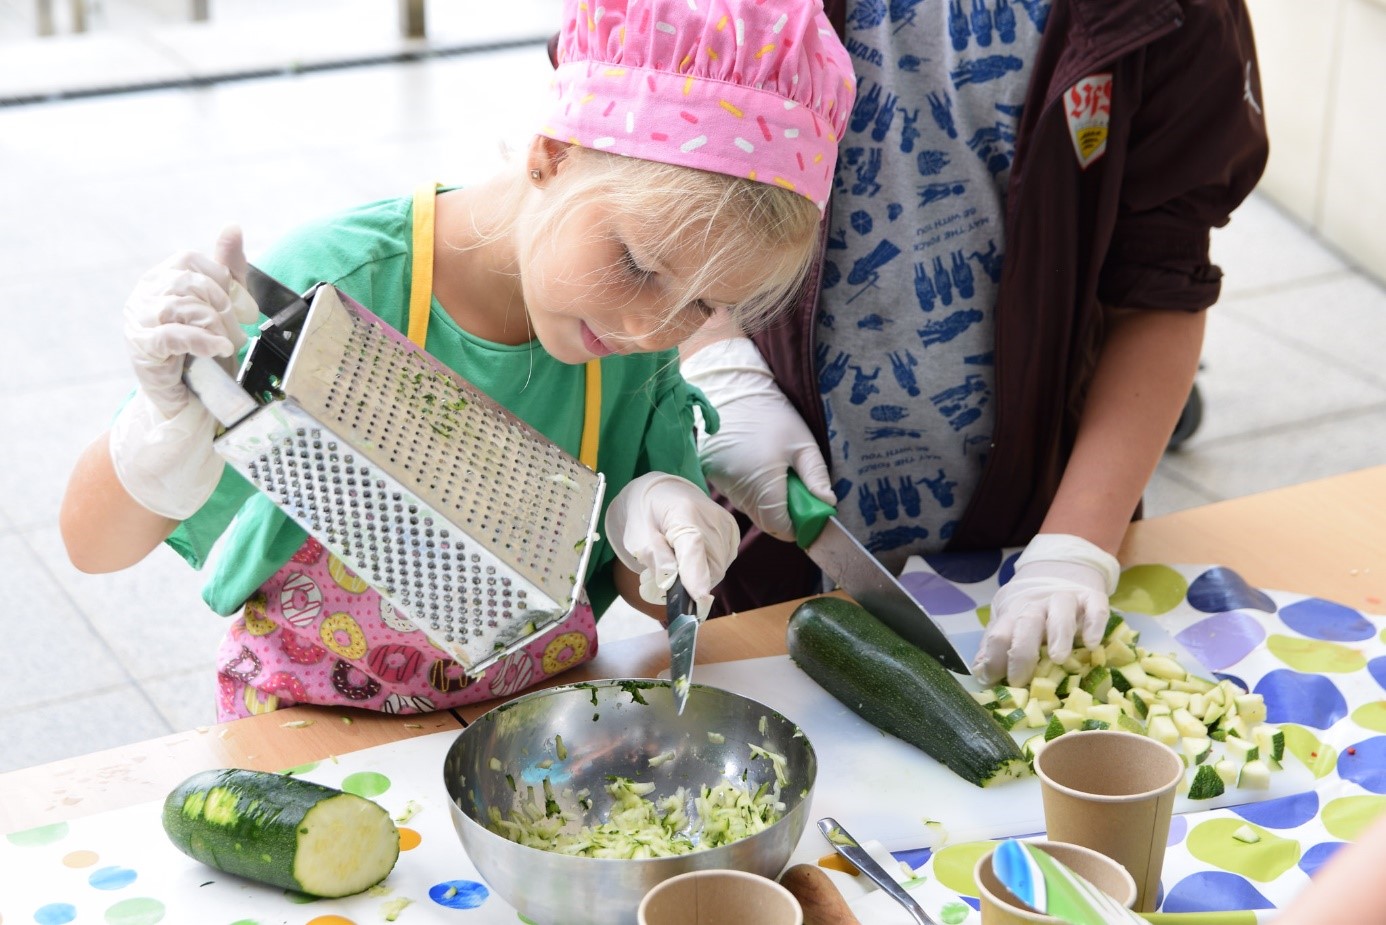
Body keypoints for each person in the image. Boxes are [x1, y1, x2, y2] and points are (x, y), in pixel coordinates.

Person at [58, 0, 855, 721]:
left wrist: (652, 527)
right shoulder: (336, 288)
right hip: (312, 738)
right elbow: (92, 547)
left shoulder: (629, 349)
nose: (652, 324)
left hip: (530, 738)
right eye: (639, 264)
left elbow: (648, 606)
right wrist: (163, 437)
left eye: (702, 307)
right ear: (553, 154)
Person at [681, 0, 1269, 686]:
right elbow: (638, 169)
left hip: (1033, 523)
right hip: (771, 524)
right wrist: (717, 360)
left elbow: (1157, 288)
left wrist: (1074, 547)